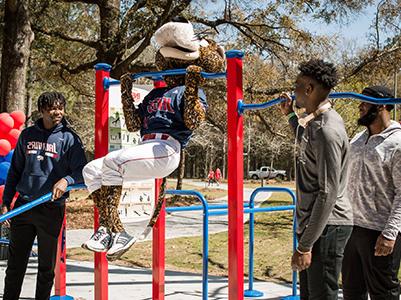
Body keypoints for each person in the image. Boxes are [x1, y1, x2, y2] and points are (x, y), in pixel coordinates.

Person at [81, 17, 225, 261]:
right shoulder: (156, 94)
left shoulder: (193, 91)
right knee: (91, 170)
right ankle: (111, 229)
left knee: (113, 162)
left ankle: (115, 231)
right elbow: (135, 124)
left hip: (167, 148)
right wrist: (126, 93)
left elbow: (193, 121)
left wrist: (191, 85)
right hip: (147, 146)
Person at [0, 92, 87, 300]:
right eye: (52, 108)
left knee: (46, 268)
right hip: (24, 206)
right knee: (15, 267)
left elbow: (82, 170)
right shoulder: (27, 135)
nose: (57, 112)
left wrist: (67, 180)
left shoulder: (70, 138)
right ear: (42, 110)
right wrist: (6, 203)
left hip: (51, 208)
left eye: (60, 108)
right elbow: (15, 171)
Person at [279, 59, 353, 299]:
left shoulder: (327, 130)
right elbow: (306, 143)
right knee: (310, 295)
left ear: (309, 89)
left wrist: (305, 245)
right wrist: (291, 115)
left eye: (297, 86)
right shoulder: (316, 123)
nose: (294, 91)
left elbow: (327, 192)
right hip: (316, 225)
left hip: (328, 226)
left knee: (322, 295)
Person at [341, 86, 401, 300]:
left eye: (365, 102)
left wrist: (390, 233)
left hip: (379, 232)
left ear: (382, 105)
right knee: (351, 292)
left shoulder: (397, 143)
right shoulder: (358, 138)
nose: (360, 106)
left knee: (383, 293)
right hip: (351, 228)